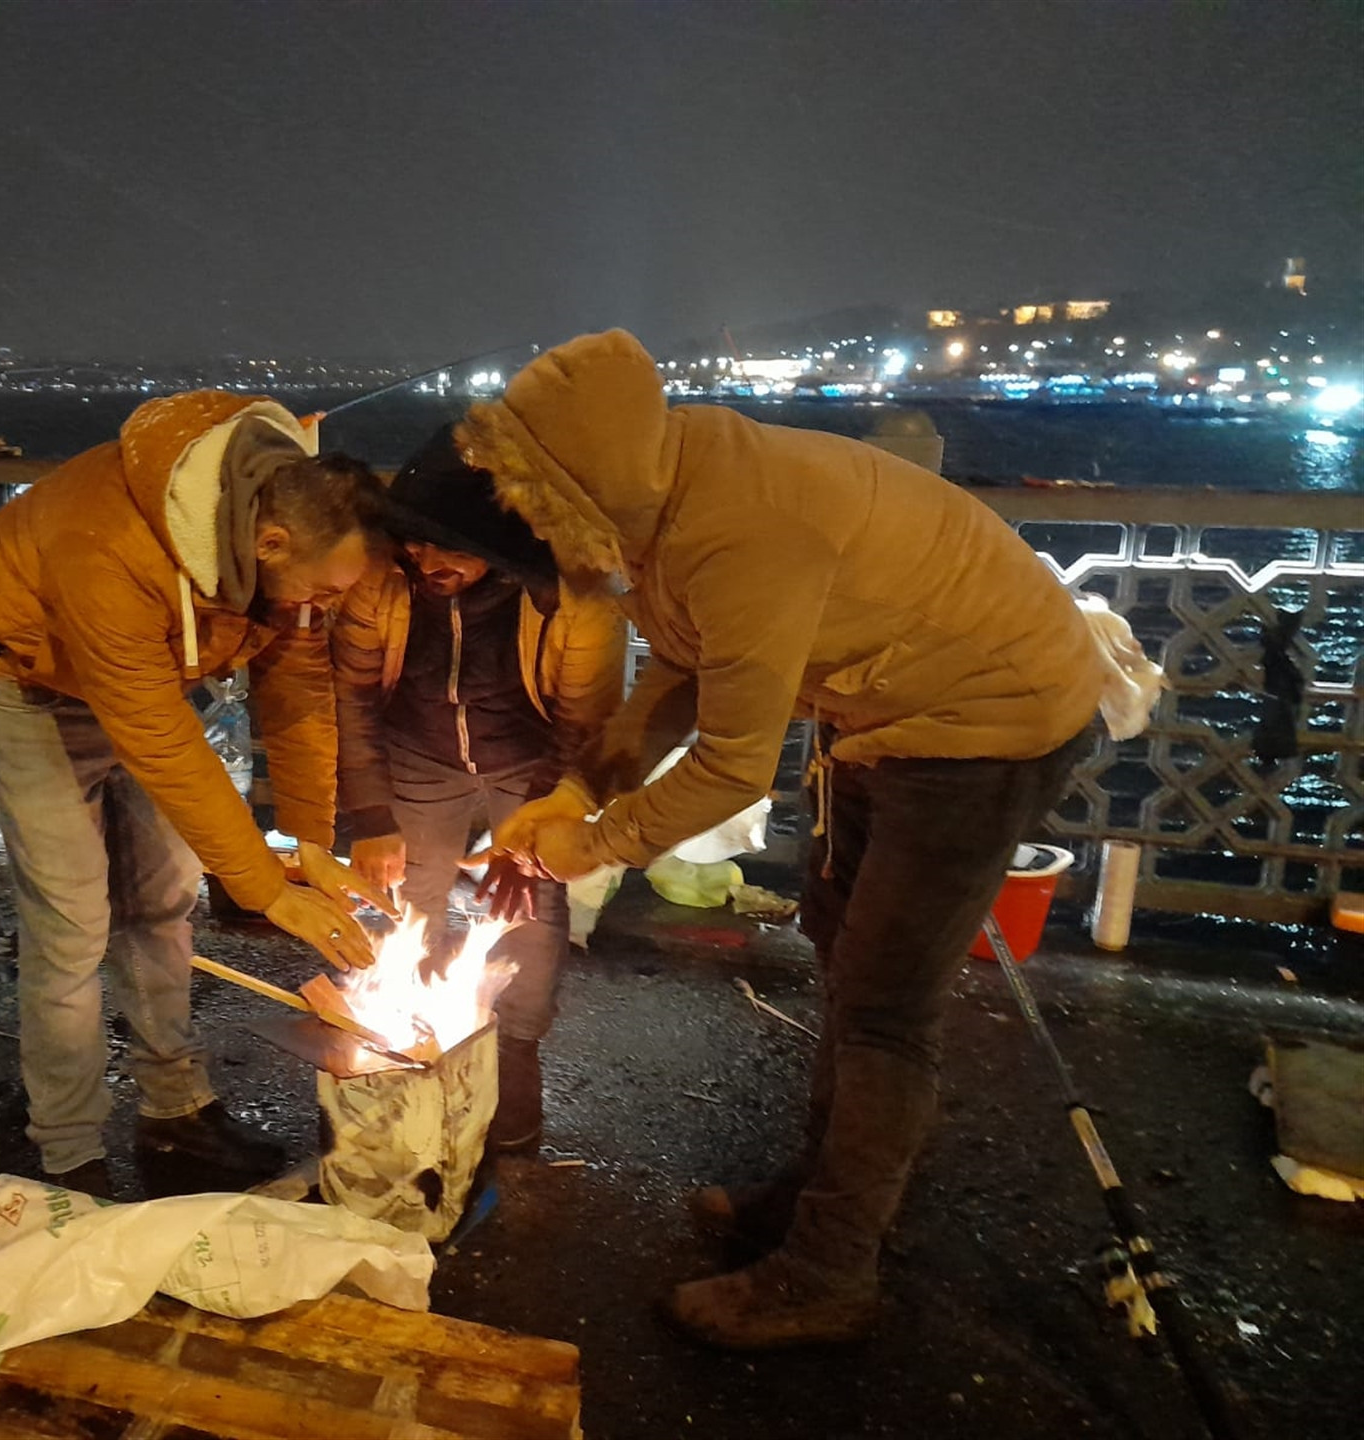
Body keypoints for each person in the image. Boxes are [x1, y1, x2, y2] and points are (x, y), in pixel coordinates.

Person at [461, 331, 1108, 1348]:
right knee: (841, 955)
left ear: (580, 487)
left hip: (988, 723)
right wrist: (576, 788)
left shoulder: (740, 526)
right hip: (886, 717)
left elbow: (732, 766)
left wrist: (591, 843)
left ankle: (828, 1271)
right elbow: (679, 675)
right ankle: (819, 1197)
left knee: (887, 1007)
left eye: (535, 506)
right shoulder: (669, 498)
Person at [0, 393, 393, 1198]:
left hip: (152, 678)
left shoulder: (273, 549)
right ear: (270, 541)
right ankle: (70, 1149)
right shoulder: (109, 545)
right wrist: (263, 888)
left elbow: (296, 690)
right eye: (319, 594)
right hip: (33, 680)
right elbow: (156, 736)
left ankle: (175, 1106)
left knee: (163, 899)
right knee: (74, 923)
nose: (320, 612)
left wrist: (310, 842)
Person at [332, 426, 626, 1150]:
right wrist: (370, 813)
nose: (427, 561)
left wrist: (531, 832)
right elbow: (353, 695)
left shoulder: (576, 597)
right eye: (416, 542)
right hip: (416, 753)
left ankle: (513, 1058)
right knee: (405, 900)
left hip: (531, 763)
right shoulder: (381, 574)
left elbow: (583, 725)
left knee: (529, 904)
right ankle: (400, 1048)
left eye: (452, 548)